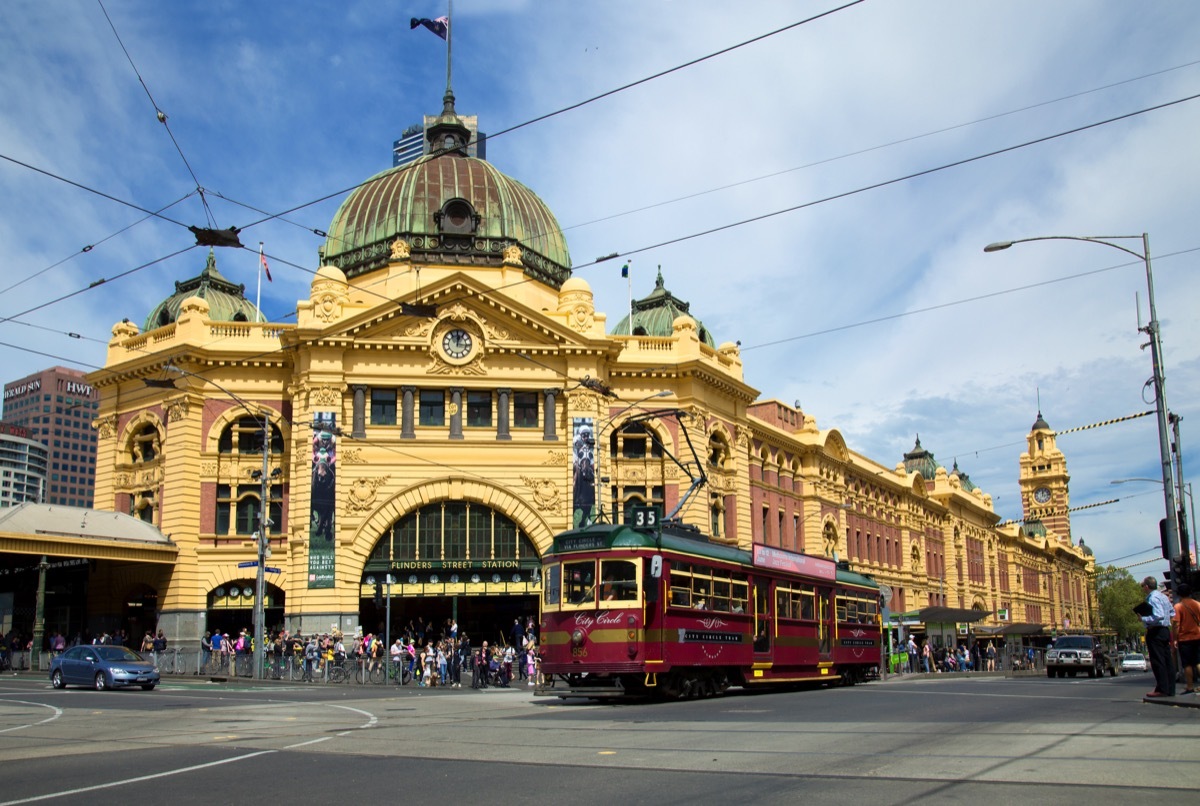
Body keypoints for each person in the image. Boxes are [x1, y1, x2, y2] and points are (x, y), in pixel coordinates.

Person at [1140, 576, 1176, 697]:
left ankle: (1161, 689)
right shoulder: (1163, 597)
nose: (1143, 589)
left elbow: (1158, 615)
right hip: (1165, 630)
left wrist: (1143, 618)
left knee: (1158, 661)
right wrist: (1166, 621)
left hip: (1156, 631)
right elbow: (1172, 612)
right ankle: (1170, 689)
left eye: (1143, 587)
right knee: (1167, 661)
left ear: (1146, 586)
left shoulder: (1153, 598)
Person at [1172, 582, 1200, 695]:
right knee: (1198, 661)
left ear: (1179, 594)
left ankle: (1190, 686)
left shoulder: (1178, 607)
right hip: (1198, 636)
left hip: (1185, 639)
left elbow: (1176, 625)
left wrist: (1175, 639)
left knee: (1187, 664)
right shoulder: (1198, 604)